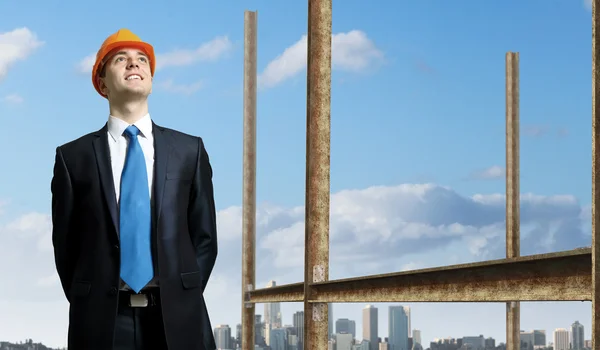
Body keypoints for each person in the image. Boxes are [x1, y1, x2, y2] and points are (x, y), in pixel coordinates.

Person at [51, 28, 218, 350]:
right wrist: (89, 295)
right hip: (102, 319)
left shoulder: (189, 150)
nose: (134, 64)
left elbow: (204, 236)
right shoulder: (73, 157)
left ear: (151, 80)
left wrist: (183, 291)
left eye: (142, 60)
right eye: (121, 59)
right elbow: (66, 244)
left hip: (178, 316)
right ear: (101, 82)